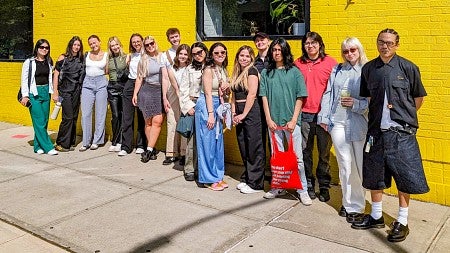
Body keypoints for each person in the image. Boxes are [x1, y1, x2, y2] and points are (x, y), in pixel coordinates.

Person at [351, 28, 429, 243]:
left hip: (401, 133)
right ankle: (376, 216)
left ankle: (402, 221)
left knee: (405, 177)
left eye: (389, 43)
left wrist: (402, 114)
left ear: (397, 44)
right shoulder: (368, 69)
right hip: (376, 132)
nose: (384, 46)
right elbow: (367, 98)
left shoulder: (408, 67)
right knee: (375, 175)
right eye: (381, 42)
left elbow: (418, 99)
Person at [318, 37, 369, 223]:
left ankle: (359, 202)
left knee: (360, 165)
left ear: (359, 49)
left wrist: (357, 104)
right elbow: (329, 93)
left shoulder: (368, 70)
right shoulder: (338, 69)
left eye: (353, 50)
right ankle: (350, 205)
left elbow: (374, 100)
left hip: (358, 123)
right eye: (346, 51)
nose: (349, 54)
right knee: (345, 165)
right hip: (337, 123)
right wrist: (324, 118)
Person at [259, 37, 311, 205]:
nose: (276, 53)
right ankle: (278, 186)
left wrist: (294, 120)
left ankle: (302, 189)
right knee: (277, 157)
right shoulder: (266, 73)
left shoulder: (295, 72)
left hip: (291, 123)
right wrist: (268, 118)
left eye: (279, 50)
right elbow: (264, 97)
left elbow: (300, 97)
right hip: (274, 123)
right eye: (274, 50)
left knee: (297, 158)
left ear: (285, 51)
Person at [294, 31, 338, 202]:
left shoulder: (331, 63)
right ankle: (309, 184)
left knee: (324, 153)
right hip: (304, 114)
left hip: (324, 116)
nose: (310, 46)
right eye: (307, 43)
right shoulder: (298, 63)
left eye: (314, 43)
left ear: (320, 44)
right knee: (305, 152)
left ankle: (324, 186)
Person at [230, 45, 265, 194]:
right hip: (239, 113)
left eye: (247, 56)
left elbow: (251, 94)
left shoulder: (252, 71)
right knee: (244, 146)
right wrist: (233, 113)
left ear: (251, 58)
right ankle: (248, 177)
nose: (244, 58)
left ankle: (256, 183)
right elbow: (233, 96)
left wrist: (243, 114)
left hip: (251, 112)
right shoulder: (238, 72)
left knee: (254, 147)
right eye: (241, 55)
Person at [196, 42, 230, 191]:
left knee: (217, 143)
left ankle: (217, 175)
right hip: (207, 107)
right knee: (207, 144)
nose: (220, 55)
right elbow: (208, 93)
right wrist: (210, 114)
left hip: (218, 106)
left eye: (223, 52)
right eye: (216, 53)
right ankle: (208, 179)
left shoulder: (222, 69)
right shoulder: (208, 70)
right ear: (211, 55)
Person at [132, 35, 170, 162]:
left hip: (160, 91)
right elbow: (139, 78)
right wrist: (135, 93)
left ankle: (148, 150)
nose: (150, 46)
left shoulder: (162, 57)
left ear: (155, 42)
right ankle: (151, 148)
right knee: (148, 122)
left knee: (158, 121)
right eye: (147, 45)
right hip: (147, 91)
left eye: (151, 43)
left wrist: (165, 96)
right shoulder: (143, 59)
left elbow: (165, 78)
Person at [20, 39, 58, 155]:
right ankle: (48, 147)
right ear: (37, 48)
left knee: (44, 120)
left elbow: (51, 78)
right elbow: (24, 79)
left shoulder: (48, 61)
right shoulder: (29, 62)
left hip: (46, 92)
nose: (44, 49)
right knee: (39, 121)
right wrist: (25, 96)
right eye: (42, 47)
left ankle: (37, 146)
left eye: (46, 47)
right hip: (33, 93)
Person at [179, 42, 208, 182]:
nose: (198, 55)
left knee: (207, 139)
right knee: (192, 140)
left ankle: (204, 168)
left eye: (200, 52)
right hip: (194, 104)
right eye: (195, 53)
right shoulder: (189, 69)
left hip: (208, 105)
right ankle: (190, 168)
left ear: (205, 51)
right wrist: (188, 107)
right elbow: (183, 90)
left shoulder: (212, 67)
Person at [53, 36, 85, 152]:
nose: (76, 47)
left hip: (76, 91)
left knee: (74, 117)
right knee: (68, 117)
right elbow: (56, 75)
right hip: (64, 91)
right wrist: (55, 92)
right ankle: (61, 143)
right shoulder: (63, 57)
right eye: (74, 44)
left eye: (78, 45)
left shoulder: (81, 59)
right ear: (71, 45)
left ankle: (70, 142)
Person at [118, 33, 147, 156]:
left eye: (138, 41)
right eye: (133, 42)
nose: (136, 43)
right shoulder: (130, 56)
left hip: (143, 83)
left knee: (141, 116)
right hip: (130, 84)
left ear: (142, 41)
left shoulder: (147, 55)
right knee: (127, 117)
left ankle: (141, 145)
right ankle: (126, 146)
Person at [79, 35, 108, 151]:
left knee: (100, 113)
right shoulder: (86, 55)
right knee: (85, 113)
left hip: (101, 82)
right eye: (90, 43)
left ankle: (97, 141)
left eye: (95, 42)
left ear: (100, 42)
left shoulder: (106, 55)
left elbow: (107, 71)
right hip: (87, 83)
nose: (93, 45)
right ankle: (86, 141)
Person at [161, 28, 184, 165]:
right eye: (172, 37)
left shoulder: (186, 50)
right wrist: (164, 97)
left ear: (179, 37)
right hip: (171, 89)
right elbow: (164, 77)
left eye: (176, 36)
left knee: (185, 120)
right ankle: (171, 152)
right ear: (168, 39)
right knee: (172, 120)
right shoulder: (165, 55)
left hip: (185, 89)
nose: (174, 39)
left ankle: (183, 152)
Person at [170, 44, 191, 166]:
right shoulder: (172, 69)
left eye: (185, 54)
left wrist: (186, 103)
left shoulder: (190, 68)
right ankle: (173, 152)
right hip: (177, 97)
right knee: (174, 123)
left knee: (185, 126)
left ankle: (184, 153)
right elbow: (176, 88)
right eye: (180, 54)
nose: (182, 56)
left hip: (188, 99)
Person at [106, 36, 127, 152]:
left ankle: (121, 141)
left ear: (120, 45)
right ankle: (115, 139)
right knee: (115, 115)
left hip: (123, 86)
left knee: (123, 114)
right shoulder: (107, 58)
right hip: (112, 87)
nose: (115, 47)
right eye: (112, 45)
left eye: (116, 44)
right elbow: (105, 72)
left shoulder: (126, 57)